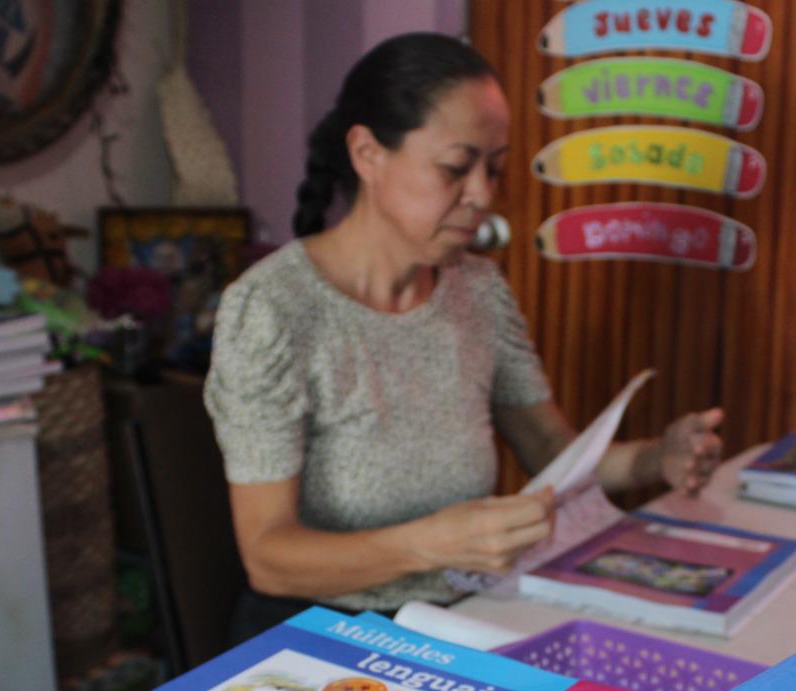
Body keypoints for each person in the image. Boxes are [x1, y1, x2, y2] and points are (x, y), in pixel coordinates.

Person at [204, 33, 723, 638]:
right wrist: (431, 545)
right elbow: (268, 558)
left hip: (458, 621)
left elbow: (559, 460)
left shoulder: (477, 291)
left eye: (494, 169)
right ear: (368, 154)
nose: (481, 195)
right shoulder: (273, 310)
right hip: (319, 637)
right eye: (456, 168)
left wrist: (657, 457)